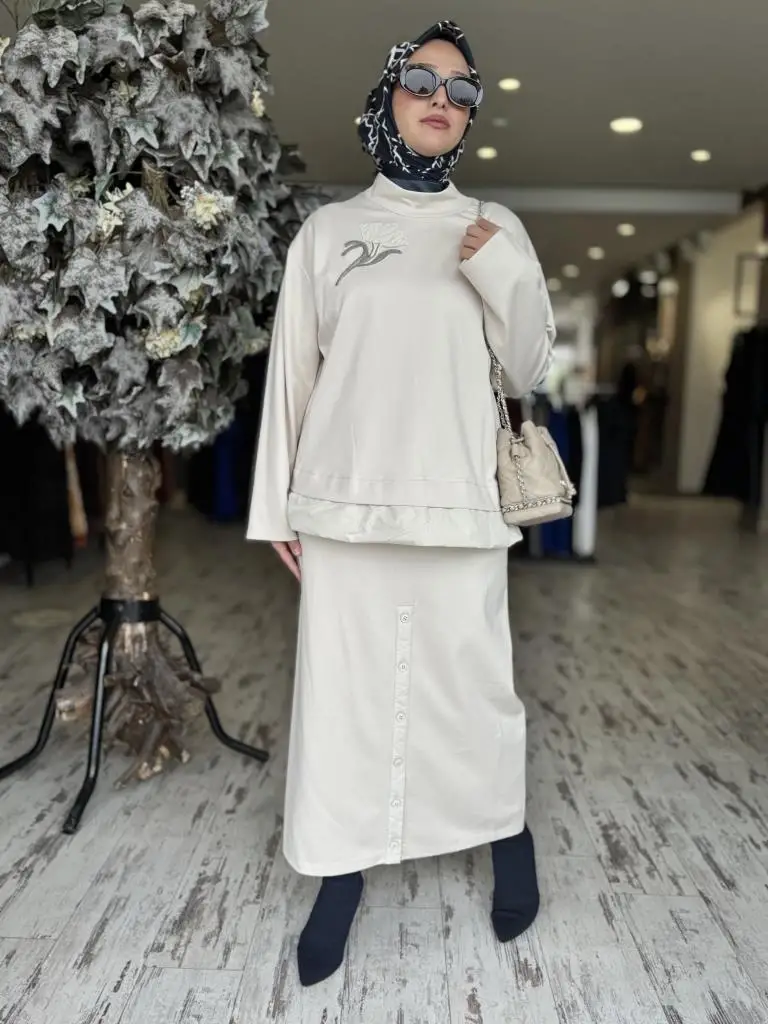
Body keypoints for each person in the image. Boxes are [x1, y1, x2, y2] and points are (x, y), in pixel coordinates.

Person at [247, 20, 555, 987]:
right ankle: (339, 875)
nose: (441, 99)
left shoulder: (495, 227)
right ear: (388, 95)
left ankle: (508, 838)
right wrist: (276, 510)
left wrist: (501, 269)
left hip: (461, 501)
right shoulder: (328, 233)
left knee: (475, 693)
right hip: (343, 504)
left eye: (462, 90)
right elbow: (292, 378)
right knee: (342, 703)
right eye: (422, 80)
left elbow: (529, 368)